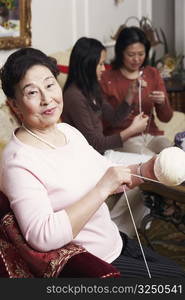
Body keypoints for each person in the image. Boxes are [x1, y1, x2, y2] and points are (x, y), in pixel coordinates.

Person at [0, 47, 184, 278]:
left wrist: (146, 169)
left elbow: (105, 173)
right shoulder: (18, 161)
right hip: (91, 264)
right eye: (31, 93)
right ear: (14, 105)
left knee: (178, 272)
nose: (47, 99)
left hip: (113, 242)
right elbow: (42, 236)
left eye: (49, 85)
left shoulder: (67, 132)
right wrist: (102, 188)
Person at [62, 37, 152, 236]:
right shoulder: (73, 96)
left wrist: (130, 94)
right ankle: (119, 230)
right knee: (144, 170)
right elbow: (94, 142)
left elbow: (112, 118)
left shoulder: (92, 89)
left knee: (150, 165)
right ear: (88, 64)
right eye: (101, 63)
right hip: (90, 160)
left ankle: (122, 227)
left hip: (103, 154)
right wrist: (131, 131)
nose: (104, 68)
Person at [100, 26, 173, 156]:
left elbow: (166, 117)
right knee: (153, 161)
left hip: (151, 135)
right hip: (124, 138)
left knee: (173, 154)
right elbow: (104, 121)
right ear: (120, 52)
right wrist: (129, 96)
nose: (137, 59)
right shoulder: (107, 78)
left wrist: (162, 102)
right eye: (131, 55)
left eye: (141, 54)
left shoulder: (152, 73)